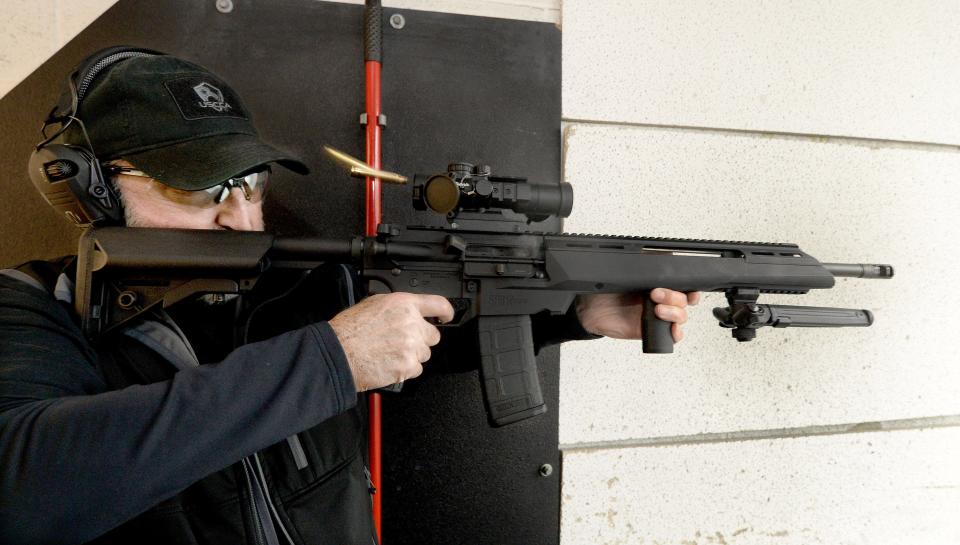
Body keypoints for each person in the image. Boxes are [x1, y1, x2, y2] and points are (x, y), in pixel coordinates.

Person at [0, 48, 698, 544]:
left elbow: (417, 335)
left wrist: (570, 315)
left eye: (251, 186)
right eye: (198, 187)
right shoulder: (32, 309)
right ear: (88, 189)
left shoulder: (287, 283)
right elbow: (24, 490)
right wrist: (332, 360)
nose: (239, 219)